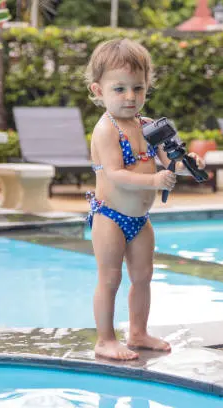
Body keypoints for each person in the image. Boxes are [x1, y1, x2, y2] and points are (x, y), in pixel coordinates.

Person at [85, 38, 206, 360]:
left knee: (143, 276)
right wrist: (153, 180)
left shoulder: (151, 127)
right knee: (110, 278)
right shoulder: (106, 130)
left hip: (139, 220)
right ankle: (105, 339)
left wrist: (188, 161)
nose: (130, 97)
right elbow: (113, 173)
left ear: (147, 87)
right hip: (110, 216)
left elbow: (171, 162)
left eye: (137, 89)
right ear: (99, 91)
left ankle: (137, 332)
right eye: (119, 89)